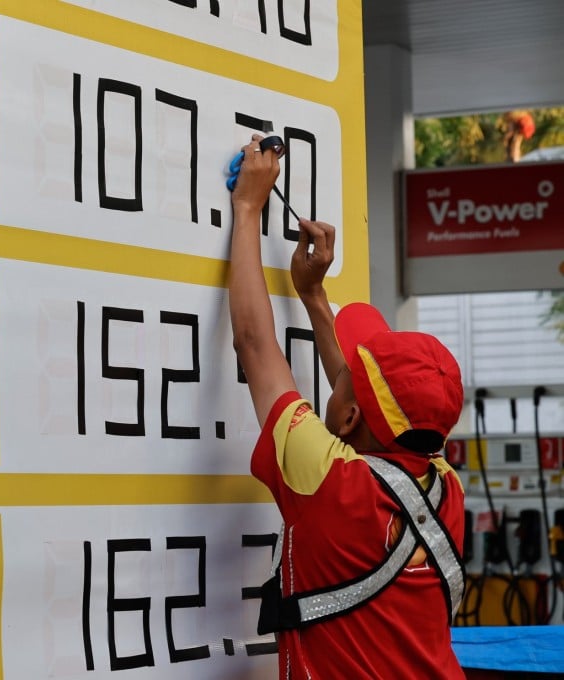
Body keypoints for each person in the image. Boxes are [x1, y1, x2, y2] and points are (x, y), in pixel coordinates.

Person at [227, 134, 467, 679]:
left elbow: (256, 346)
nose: (336, 375)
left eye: (348, 380)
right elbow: (358, 400)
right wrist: (313, 297)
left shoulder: (332, 481)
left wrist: (247, 209)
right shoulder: (445, 487)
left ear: (352, 417)